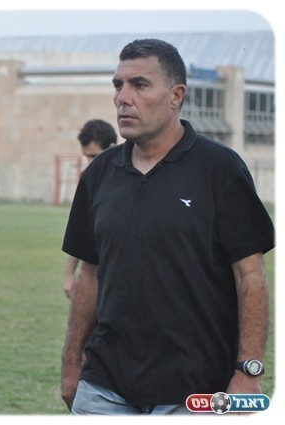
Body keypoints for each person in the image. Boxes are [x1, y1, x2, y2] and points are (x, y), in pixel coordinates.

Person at [60, 38, 274, 415]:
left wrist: (248, 372)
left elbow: (251, 277)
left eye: (139, 85)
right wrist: (71, 362)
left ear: (176, 96)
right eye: (118, 85)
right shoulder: (99, 173)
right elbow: (89, 276)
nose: (123, 98)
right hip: (103, 387)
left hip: (196, 390)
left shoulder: (220, 169)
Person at [63, 119, 117, 299]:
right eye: (86, 156)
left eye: (94, 156)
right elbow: (81, 231)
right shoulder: (89, 177)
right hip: (95, 273)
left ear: (111, 147)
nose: (89, 162)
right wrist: (70, 274)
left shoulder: (130, 176)